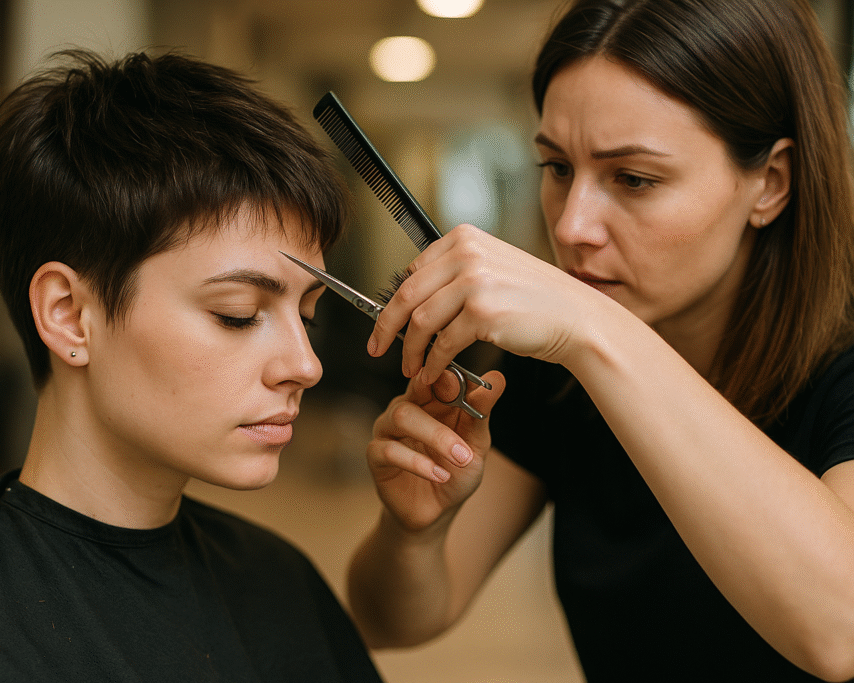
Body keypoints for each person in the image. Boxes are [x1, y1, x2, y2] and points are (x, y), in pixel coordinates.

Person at [0, 48, 383, 682]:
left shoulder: (280, 584)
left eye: (306, 315)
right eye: (237, 313)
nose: (304, 365)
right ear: (68, 315)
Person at [347, 0, 854, 680]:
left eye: (635, 179)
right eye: (557, 168)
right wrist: (415, 531)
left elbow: (839, 629)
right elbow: (391, 620)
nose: (573, 225)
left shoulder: (839, 366)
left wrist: (593, 327)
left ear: (770, 182)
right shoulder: (556, 373)